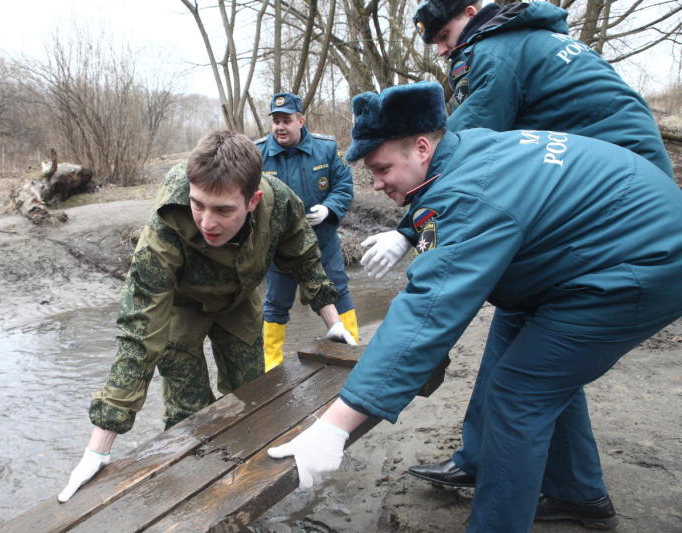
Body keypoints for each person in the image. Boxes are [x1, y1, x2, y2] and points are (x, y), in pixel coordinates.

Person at [267, 82, 682, 531]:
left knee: (518, 394)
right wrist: (409, 233)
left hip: (642, 263)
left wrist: (335, 425)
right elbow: (441, 236)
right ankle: (577, 494)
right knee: (537, 364)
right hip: (594, 250)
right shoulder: (467, 149)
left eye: (382, 168)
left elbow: (428, 309)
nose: (377, 183)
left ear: (422, 147)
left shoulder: (470, 195)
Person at [57, 130, 357, 503]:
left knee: (251, 394)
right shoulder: (166, 224)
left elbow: (305, 257)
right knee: (188, 413)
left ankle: (247, 486)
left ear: (253, 200)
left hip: (239, 300)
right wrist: (98, 449)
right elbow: (140, 329)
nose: (207, 221)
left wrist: (333, 323)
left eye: (223, 210)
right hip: (179, 308)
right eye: (199, 205)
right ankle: (197, 500)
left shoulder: (279, 202)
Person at [361, 0, 673, 281]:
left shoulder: (487, 53)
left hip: (619, 176)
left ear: (471, 13)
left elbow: (457, 149)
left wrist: (409, 230)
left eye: (444, 35)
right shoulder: (526, 38)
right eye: (435, 43)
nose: (442, 50)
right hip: (637, 164)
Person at [255, 92, 358, 371]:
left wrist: (329, 208)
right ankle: (271, 365)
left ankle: (352, 346)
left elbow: (344, 186)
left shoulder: (325, 149)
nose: (280, 127)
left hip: (323, 241)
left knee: (337, 290)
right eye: (275, 121)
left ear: (301, 120)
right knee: (275, 303)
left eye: (286, 120)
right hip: (280, 250)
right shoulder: (258, 154)